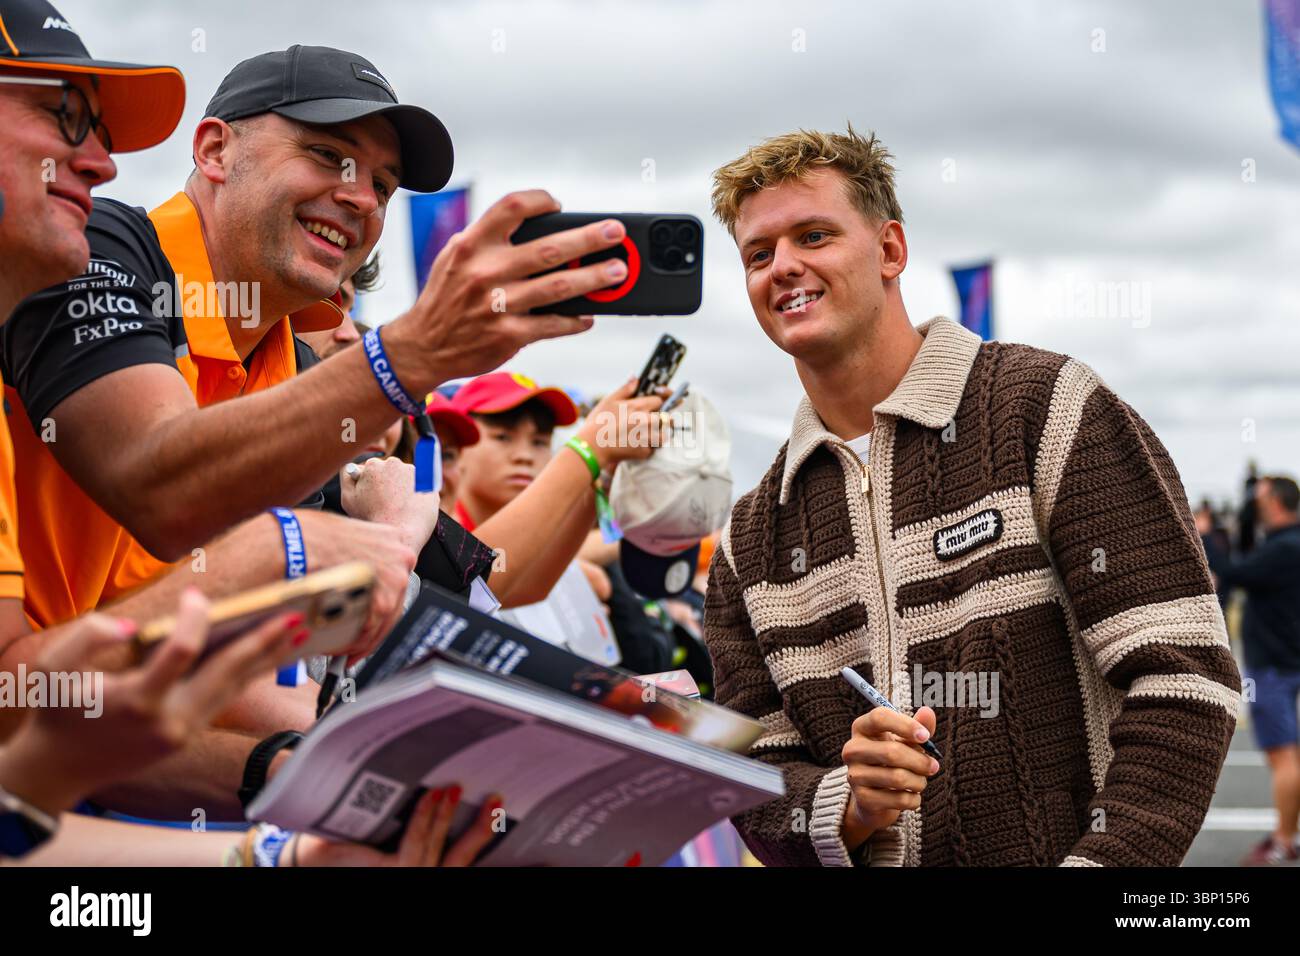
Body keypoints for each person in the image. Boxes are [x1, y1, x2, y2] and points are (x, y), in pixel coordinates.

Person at [702, 127, 1240, 866]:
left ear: (890, 250)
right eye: (758, 254)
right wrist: (848, 805)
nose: (783, 266)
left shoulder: (1045, 408)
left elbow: (1185, 680)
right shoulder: (748, 541)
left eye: (814, 235)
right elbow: (752, 788)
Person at [0, 43, 635, 635]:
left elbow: (488, 579)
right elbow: (161, 490)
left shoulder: (293, 365)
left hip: (90, 729)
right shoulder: (99, 250)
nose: (362, 197)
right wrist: (412, 355)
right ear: (215, 151)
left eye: (384, 186)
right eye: (329, 155)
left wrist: (598, 452)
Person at [1210, 475, 1300, 865]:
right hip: (1288, 660)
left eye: (1259, 498)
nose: (1253, 503)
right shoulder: (1286, 544)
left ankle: (1283, 841)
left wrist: (1209, 534)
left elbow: (1230, 570)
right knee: (1290, 754)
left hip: (1272, 668)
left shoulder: (1282, 549)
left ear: (1275, 503)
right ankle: (1286, 834)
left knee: (1283, 757)